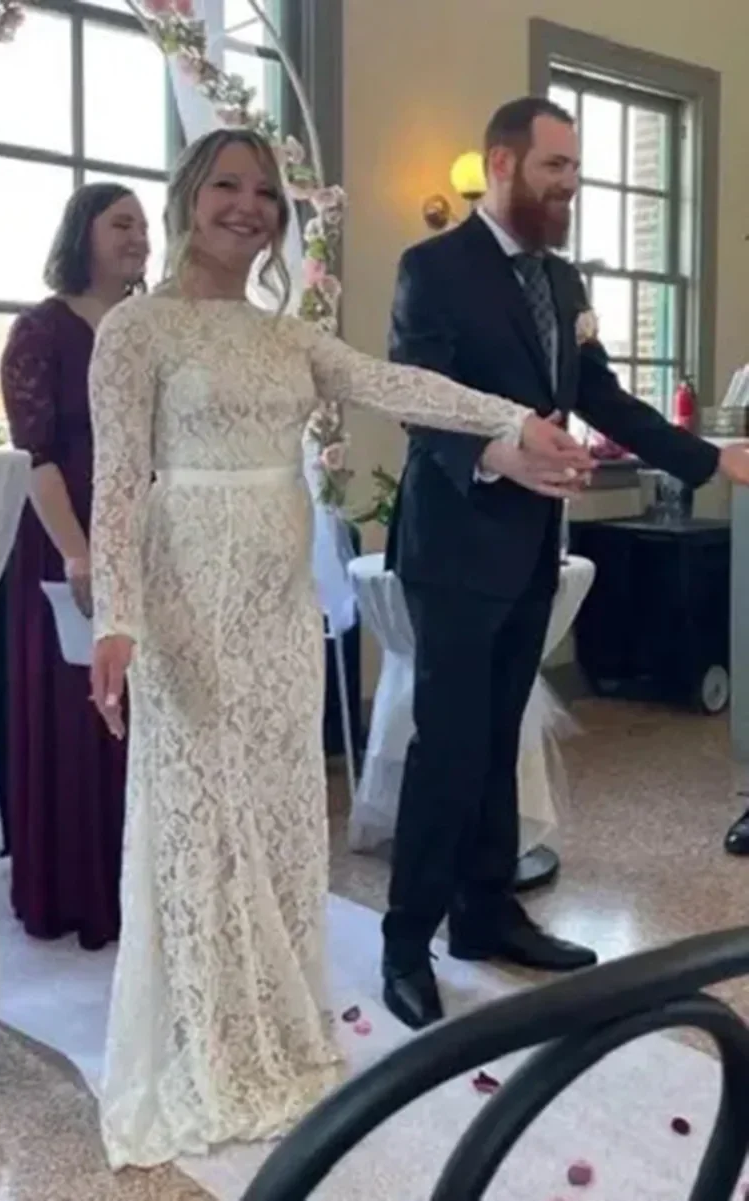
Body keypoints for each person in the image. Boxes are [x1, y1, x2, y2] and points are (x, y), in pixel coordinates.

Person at [86, 127, 593, 1170]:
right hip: (187, 596)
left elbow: (398, 385)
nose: (247, 205)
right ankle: (205, 1033)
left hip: (279, 602)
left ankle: (276, 1014)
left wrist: (515, 423)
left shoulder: (289, 336)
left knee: (277, 808)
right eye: (226, 185)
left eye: (264, 192)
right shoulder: (137, 330)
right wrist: (116, 621)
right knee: (202, 812)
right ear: (188, 196)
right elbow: (117, 482)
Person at [381, 95, 749, 1031]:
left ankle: (485, 913)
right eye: (556, 167)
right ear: (502, 164)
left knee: (499, 736)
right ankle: (405, 941)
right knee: (449, 746)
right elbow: (418, 402)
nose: (570, 185)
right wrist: (498, 452)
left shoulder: (561, 278)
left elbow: (603, 398)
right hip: (454, 546)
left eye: (576, 169)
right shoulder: (432, 268)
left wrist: (711, 459)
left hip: (532, 546)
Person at [0, 183, 149, 949]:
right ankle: (76, 891)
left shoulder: (148, 329)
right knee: (78, 709)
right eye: (121, 223)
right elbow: (37, 455)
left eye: (144, 226)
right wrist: (78, 552)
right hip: (69, 537)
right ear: (81, 233)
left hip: (147, 536)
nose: (138, 237)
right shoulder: (40, 330)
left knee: (144, 715)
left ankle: (144, 886)